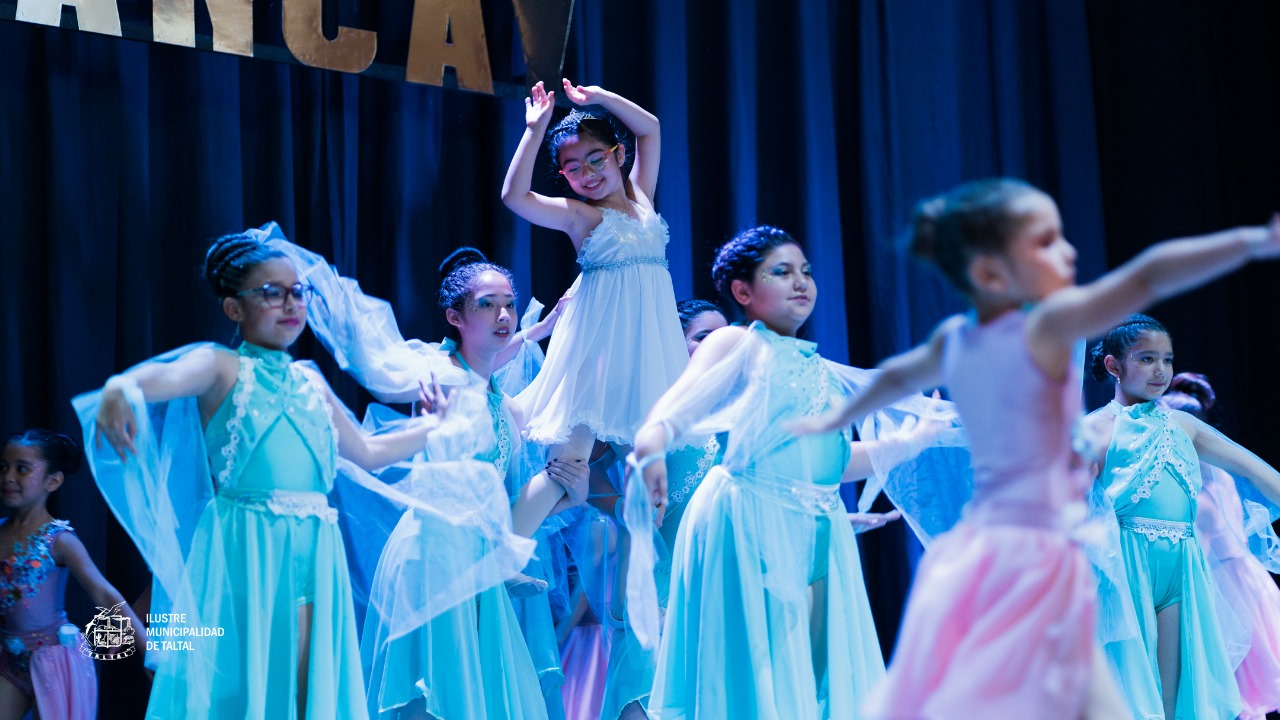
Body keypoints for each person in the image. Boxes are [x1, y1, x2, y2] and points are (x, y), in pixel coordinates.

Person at [792, 177, 1280, 718]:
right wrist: (1251, 242)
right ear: (990, 269)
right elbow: (1149, 273)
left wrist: (839, 416)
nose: (1068, 252)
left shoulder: (971, 337)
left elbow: (891, 380)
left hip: (1002, 549)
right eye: (1046, 242)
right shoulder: (1038, 326)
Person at [76, 227, 456, 719]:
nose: (290, 303)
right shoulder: (222, 366)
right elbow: (160, 378)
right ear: (235, 308)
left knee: (304, 686)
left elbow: (366, 451)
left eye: (297, 292)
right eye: (271, 293)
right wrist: (119, 387)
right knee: (247, 678)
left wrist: (433, 426)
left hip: (314, 545)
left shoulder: (309, 381)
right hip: (246, 543)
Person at [631, 226, 955, 718]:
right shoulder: (735, 343)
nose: (800, 281)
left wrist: (912, 441)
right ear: (743, 292)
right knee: (756, 672)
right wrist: (651, 452)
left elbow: (835, 461)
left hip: (815, 524)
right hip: (750, 518)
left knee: (812, 677)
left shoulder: (818, 369)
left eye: (804, 271)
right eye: (780, 272)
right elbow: (669, 414)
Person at [360, 248, 589, 720]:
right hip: (435, 553)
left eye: (509, 302)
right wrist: (534, 333)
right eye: (487, 304)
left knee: (477, 696)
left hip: (477, 559)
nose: (503, 314)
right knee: (439, 695)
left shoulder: (504, 406)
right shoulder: (443, 377)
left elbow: (510, 499)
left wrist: (570, 497)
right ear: (454, 317)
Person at [501, 79, 688, 537]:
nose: (587, 173)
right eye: (572, 168)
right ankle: (502, 553)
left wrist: (603, 98)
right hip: (599, 353)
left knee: (651, 456)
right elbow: (514, 197)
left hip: (646, 352)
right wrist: (534, 129)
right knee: (570, 462)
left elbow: (651, 129)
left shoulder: (641, 199)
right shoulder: (582, 216)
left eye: (596, 159)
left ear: (618, 155)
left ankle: (651, 571)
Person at [1085, 317, 1280, 719]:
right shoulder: (1096, 429)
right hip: (1127, 562)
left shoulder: (1184, 425)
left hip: (1181, 564)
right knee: (1134, 683)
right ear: (1113, 366)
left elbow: (1254, 469)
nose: (1161, 371)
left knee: (1175, 691)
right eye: (1147, 359)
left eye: (1167, 360)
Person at [1159, 372, 1280, 720]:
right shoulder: (1221, 472)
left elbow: (1205, 537)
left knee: (1240, 686)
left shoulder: (1199, 478)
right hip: (1251, 579)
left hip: (1230, 585)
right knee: (1253, 689)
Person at [0, 430, 132, 719]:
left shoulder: (59, 540)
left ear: (53, 481)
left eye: (21, 469)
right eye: (4, 467)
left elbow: (103, 592)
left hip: (54, 661)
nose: (8, 476)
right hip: (7, 662)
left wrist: (149, 650)